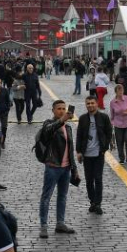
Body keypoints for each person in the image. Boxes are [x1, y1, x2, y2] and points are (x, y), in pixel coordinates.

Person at [38, 99, 78, 238]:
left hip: (66, 168)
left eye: (63, 108)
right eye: (59, 109)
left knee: (62, 196)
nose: (62, 111)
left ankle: (60, 223)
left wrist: (74, 169)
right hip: (53, 167)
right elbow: (47, 132)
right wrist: (62, 120)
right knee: (46, 197)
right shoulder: (48, 124)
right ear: (53, 111)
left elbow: (70, 149)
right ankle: (43, 226)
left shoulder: (68, 128)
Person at [75, 95, 113, 215]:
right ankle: (92, 201)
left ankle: (98, 203)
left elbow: (108, 133)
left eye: (92, 103)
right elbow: (79, 135)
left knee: (98, 178)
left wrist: (104, 148)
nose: (90, 105)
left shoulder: (104, 117)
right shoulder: (82, 119)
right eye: (88, 103)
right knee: (89, 180)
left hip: (98, 154)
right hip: (86, 154)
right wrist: (79, 151)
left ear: (97, 104)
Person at [110, 83, 127, 164]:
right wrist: (111, 124)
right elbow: (112, 114)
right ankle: (121, 158)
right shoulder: (113, 102)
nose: (121, 93)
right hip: (118, 124)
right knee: (119, 141)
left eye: (122, 90)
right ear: (116, 92)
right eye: (119, 91)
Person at [0, 78, 12, 148]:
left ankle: (3, 142)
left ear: (1, 83)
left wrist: (7, 110)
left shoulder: (5, 90)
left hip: (4, 113)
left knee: (4, 128)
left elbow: (8, 101)